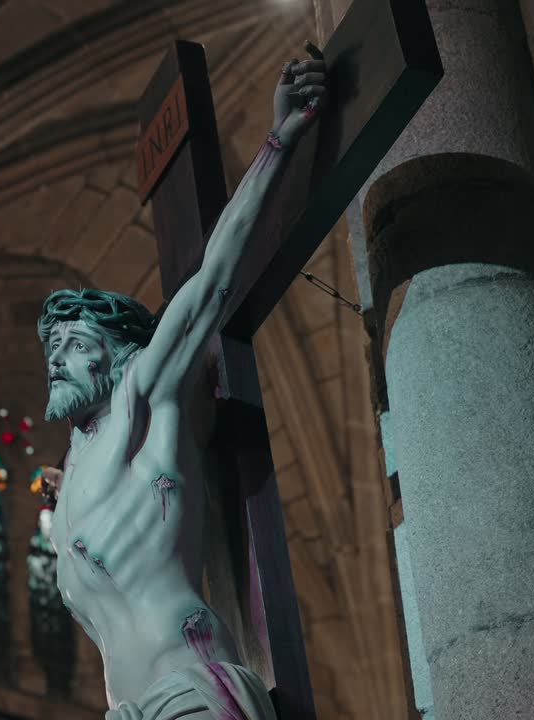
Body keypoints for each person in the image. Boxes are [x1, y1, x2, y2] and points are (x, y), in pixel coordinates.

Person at [38, 43, 328, 720]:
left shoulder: (144, 392)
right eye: (51, 347)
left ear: (120, 357)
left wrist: (280, 139)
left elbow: (214, 278)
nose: (55, 359)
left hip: (189, 692)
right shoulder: (74, 468)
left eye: (76, 345)